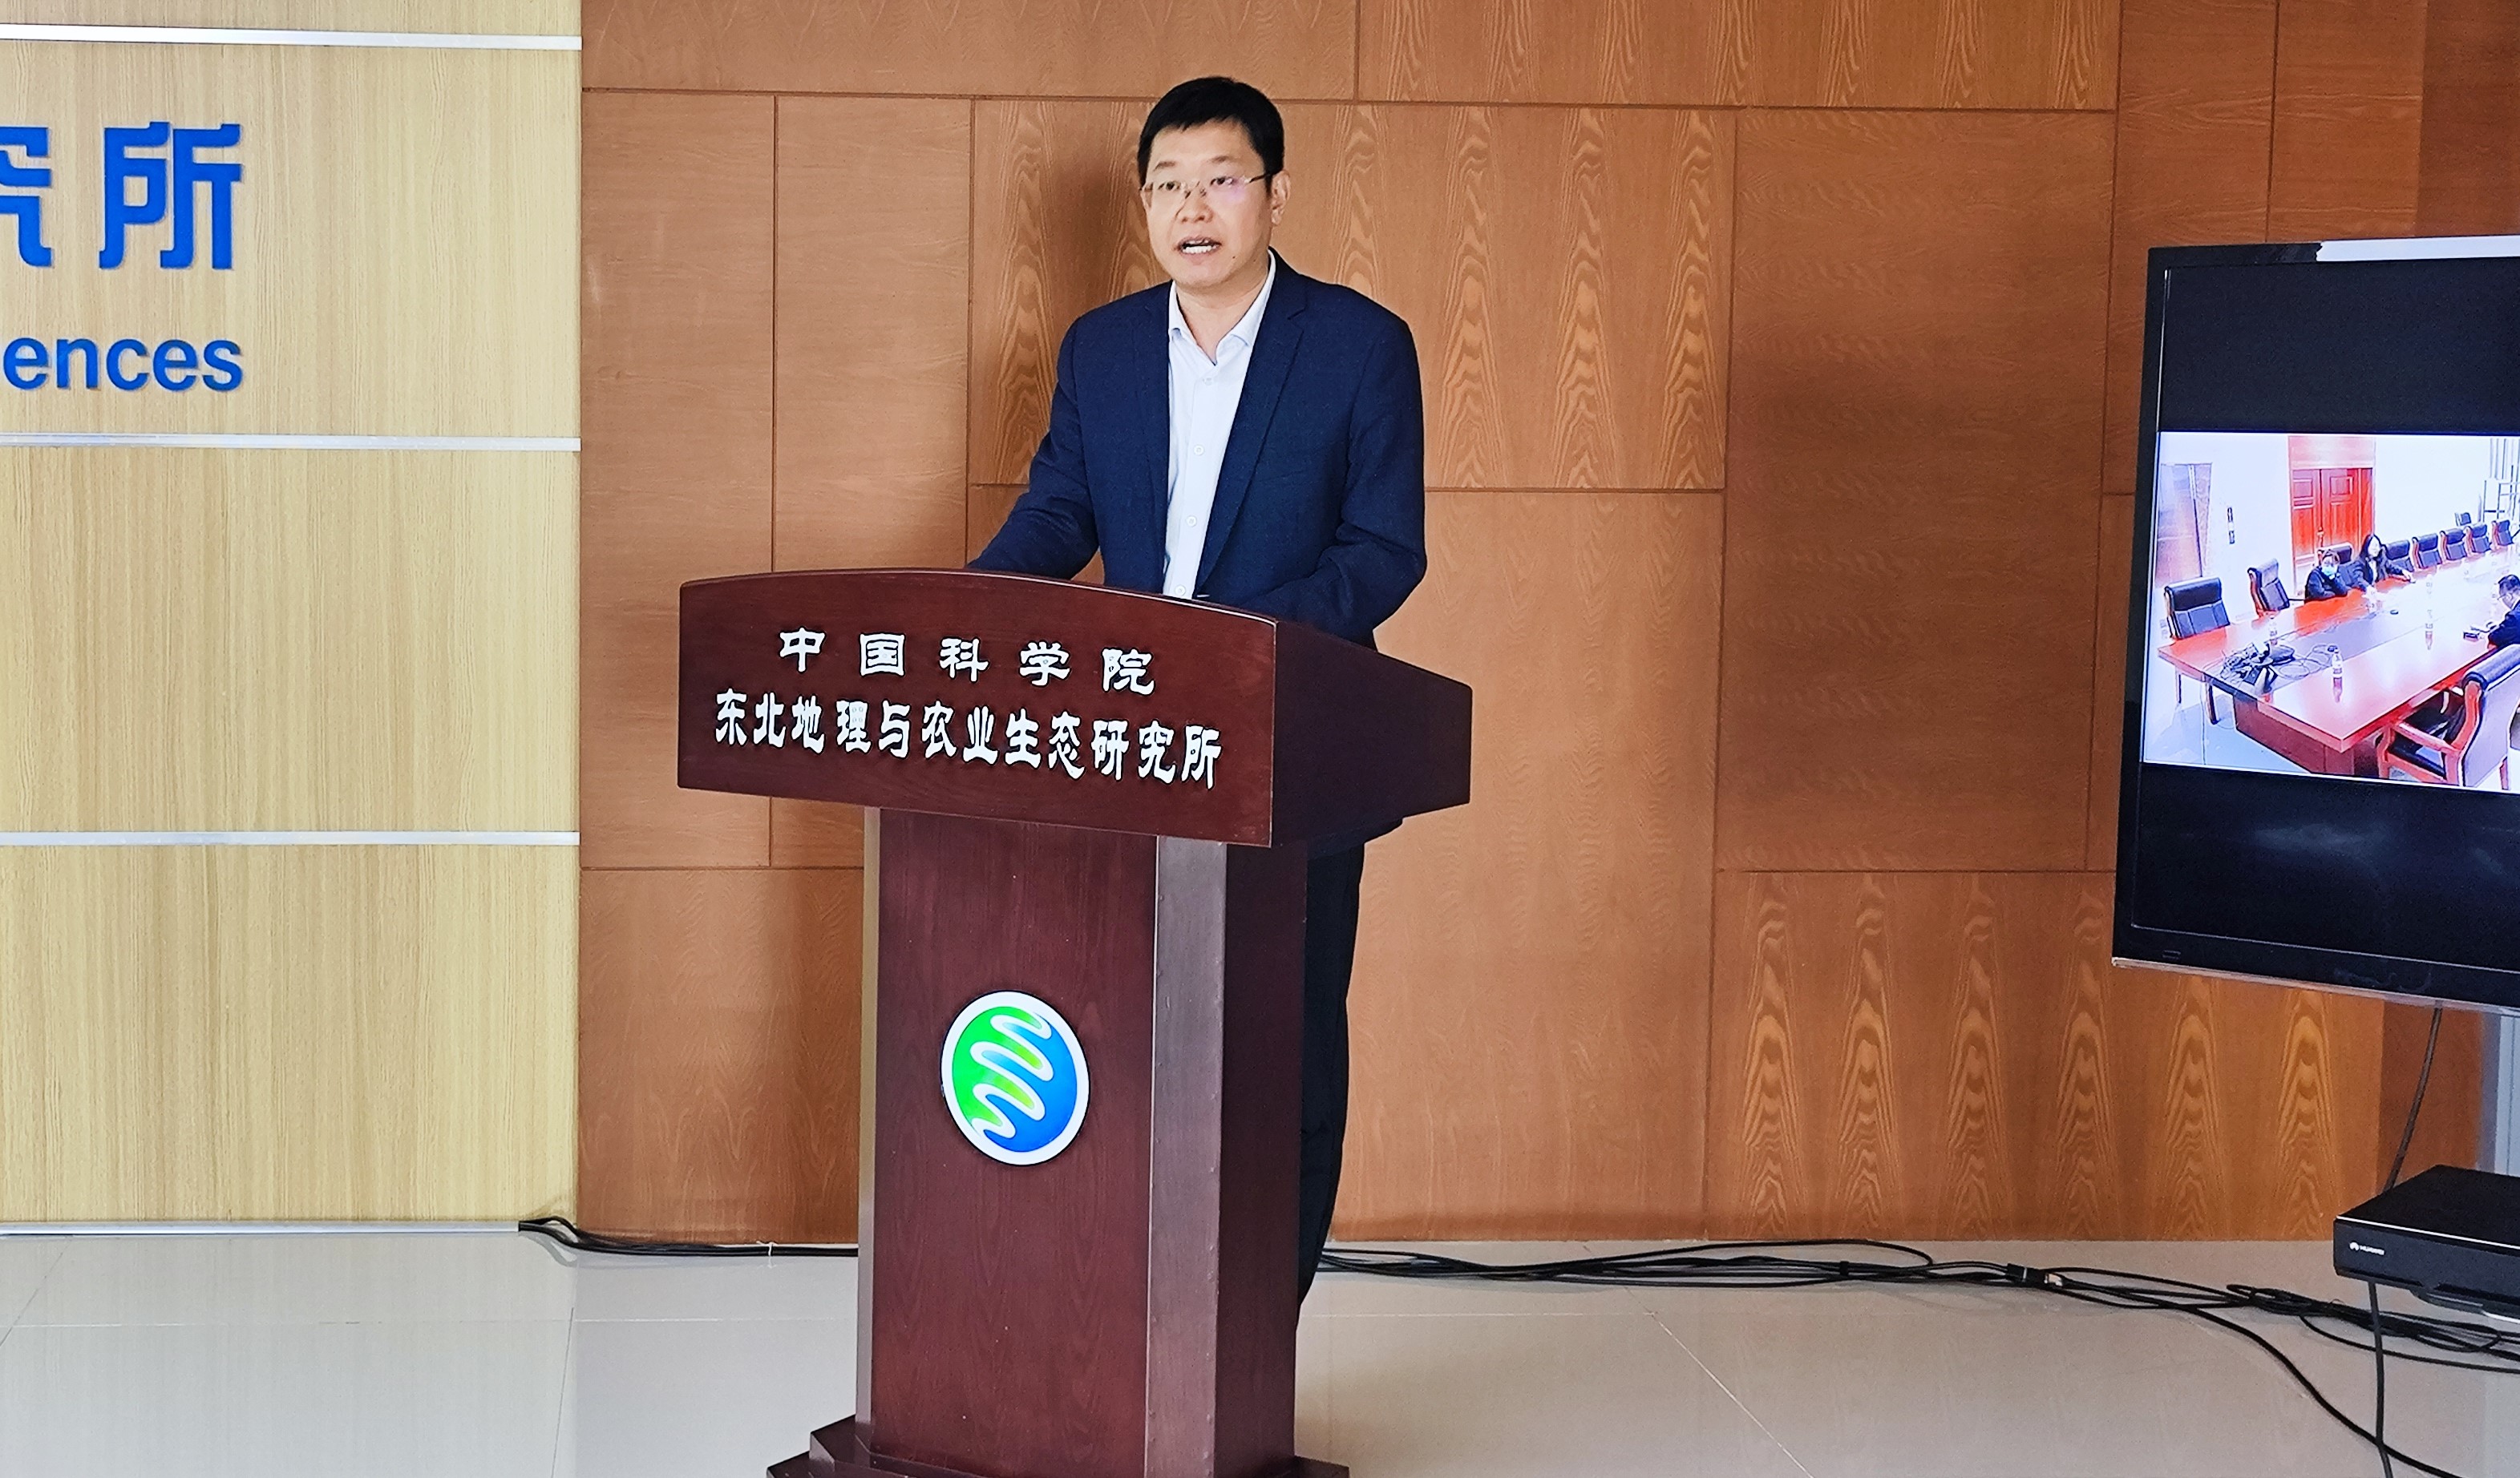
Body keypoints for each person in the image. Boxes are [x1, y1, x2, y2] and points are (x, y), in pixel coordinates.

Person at [968, 76, 1427, 1300]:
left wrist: (1235, 647)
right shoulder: (1104, 348)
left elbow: (1382, 550)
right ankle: (1131, 1317)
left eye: (1220, 181)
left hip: (1291, 745)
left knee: (1281, 1054)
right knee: (1127, 1038)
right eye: (1167, 185)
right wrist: (966, 609)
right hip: (1129, 750)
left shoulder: (1357, 345)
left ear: (1273, 194)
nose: (1192, 208)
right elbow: (1059, 514)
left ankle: (1258, 1334)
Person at [2490, 575, 2520, 649]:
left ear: (2509, 596)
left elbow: (2496, 637)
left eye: (2501, 598)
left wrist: (2496, 628)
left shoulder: (2513, 618)